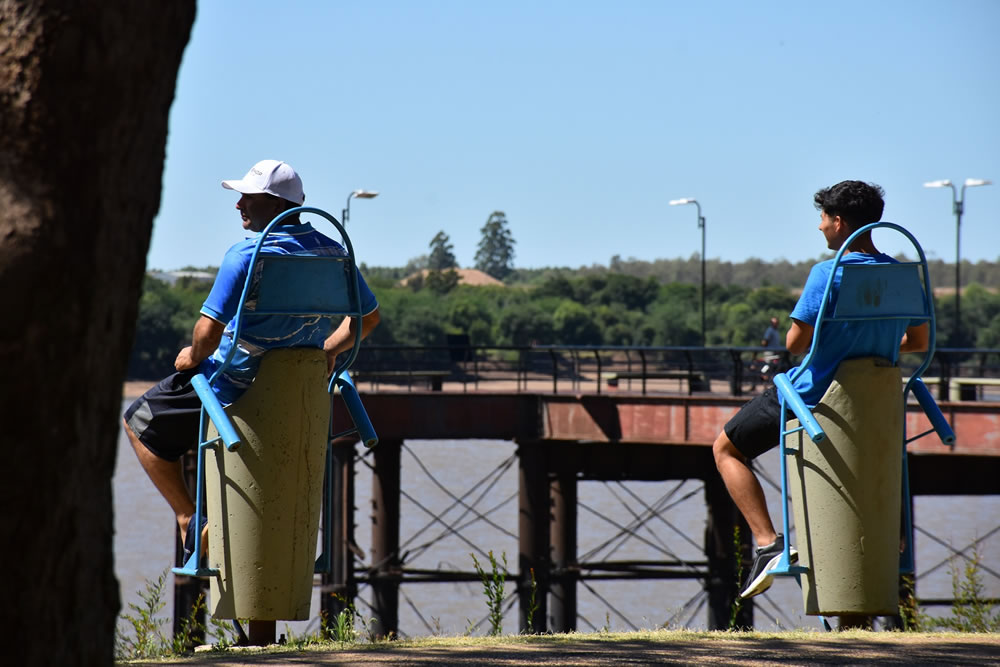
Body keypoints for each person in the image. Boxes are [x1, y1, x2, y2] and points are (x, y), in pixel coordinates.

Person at [123, 159, 381, 562]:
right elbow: (368, 319)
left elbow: (207, 334)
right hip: (299, 391)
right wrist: (328, 352)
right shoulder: (334, 255)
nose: (239, 204)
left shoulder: (246, 257)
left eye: (249, 197)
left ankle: (190, 518)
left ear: (276, 204)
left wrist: (192, 356)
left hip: (235, 385)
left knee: (137, 422)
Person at [712, 180, 929, 599]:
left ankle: (767, 544)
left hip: (814, 397)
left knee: (725, 448)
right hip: (873, 405)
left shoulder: (827, 274)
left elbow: (795, 344)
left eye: (823, 219)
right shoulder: (901, 275)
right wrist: (873, 341)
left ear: (839, 222)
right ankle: (890, 535)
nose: (820, 227)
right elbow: (918, 343)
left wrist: (835, 339)